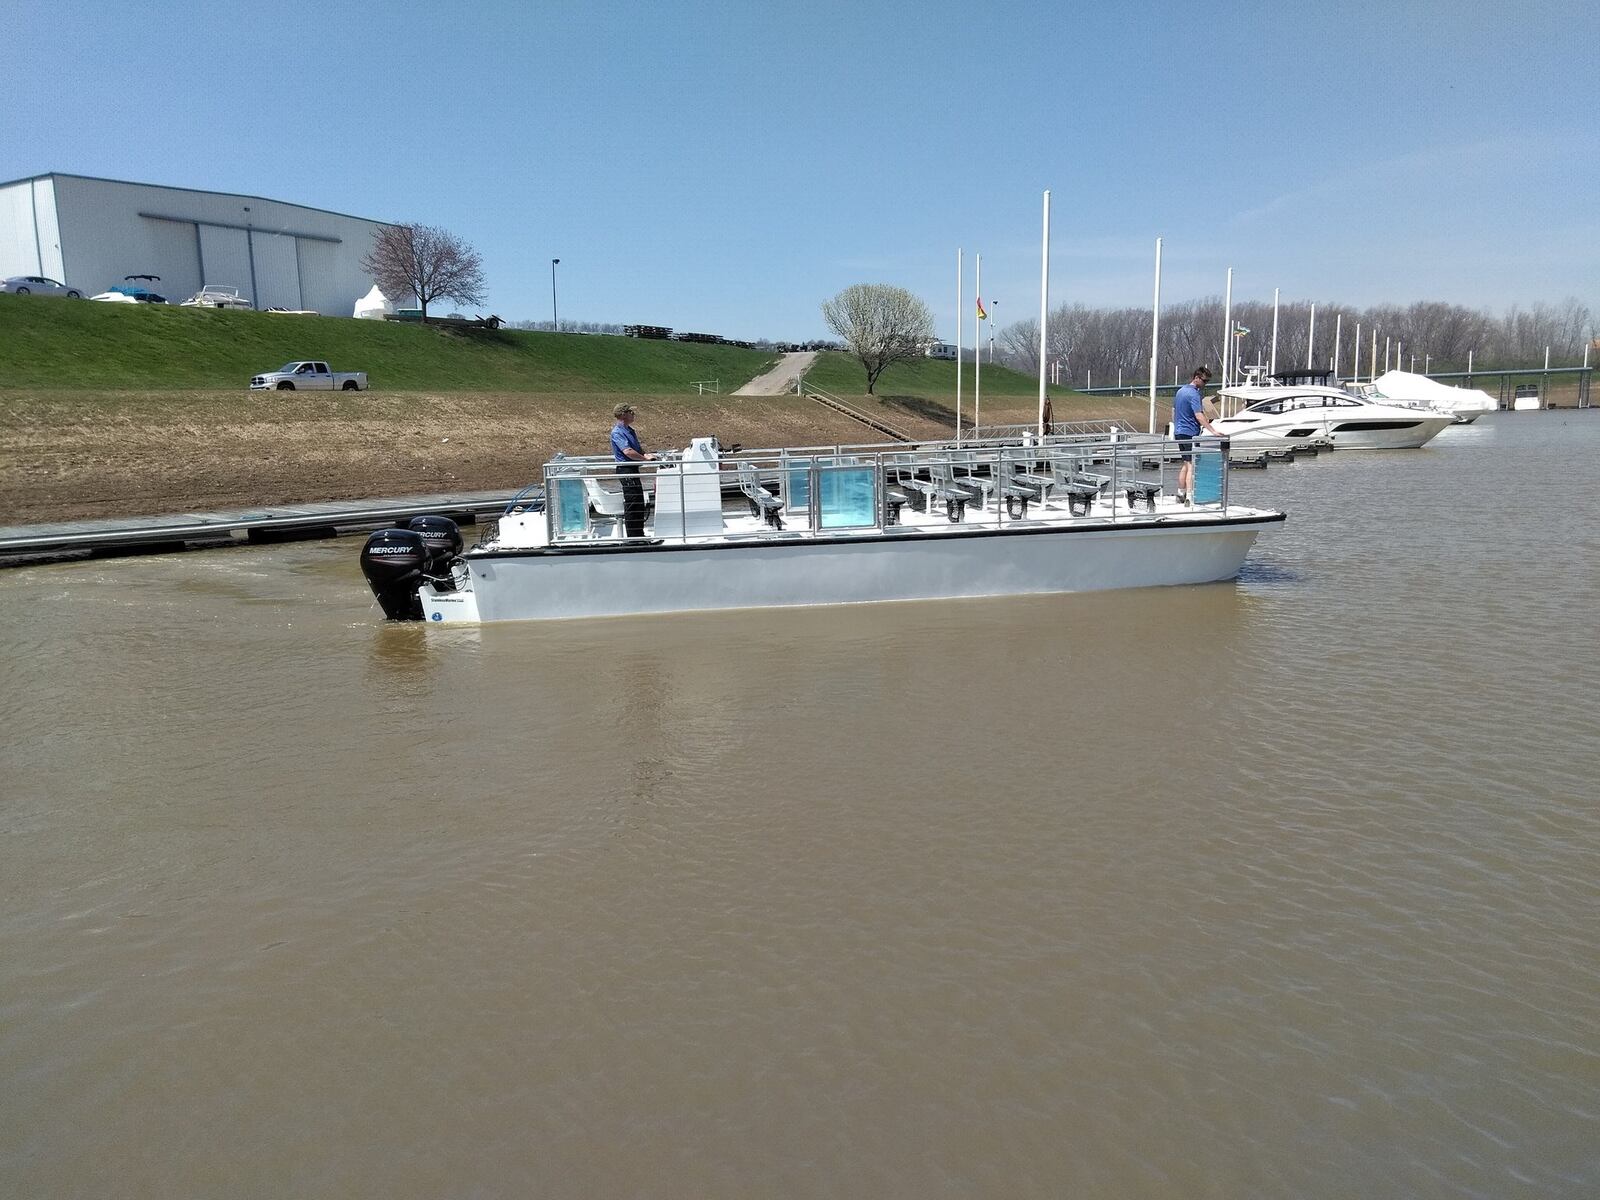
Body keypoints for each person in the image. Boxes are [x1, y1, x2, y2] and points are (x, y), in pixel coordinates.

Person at [1172, 366, 1222, 504]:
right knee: (1192, 465)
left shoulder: (1180, 391)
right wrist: (1212, 431)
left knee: (1186, 463)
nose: (1206, 384)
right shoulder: (1194, 394)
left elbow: (1174, 411)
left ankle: (1180, 493)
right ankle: (1190, 496)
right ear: (1197, 378)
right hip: (1190, 434)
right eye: (1205, 381)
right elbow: (1199, 415)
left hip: (1179, 432)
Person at [610, 403, 657, 537]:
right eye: (631, 412)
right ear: (623, 414)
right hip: (626, 470)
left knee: (638, 501)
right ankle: (633, 537)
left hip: (633, 469)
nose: (633, 415)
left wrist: (646, 454)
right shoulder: (617, 432)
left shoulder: (630, 431)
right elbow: (628, 452)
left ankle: (639, 535)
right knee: (632, 502)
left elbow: (637, 449)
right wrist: (644, 459)